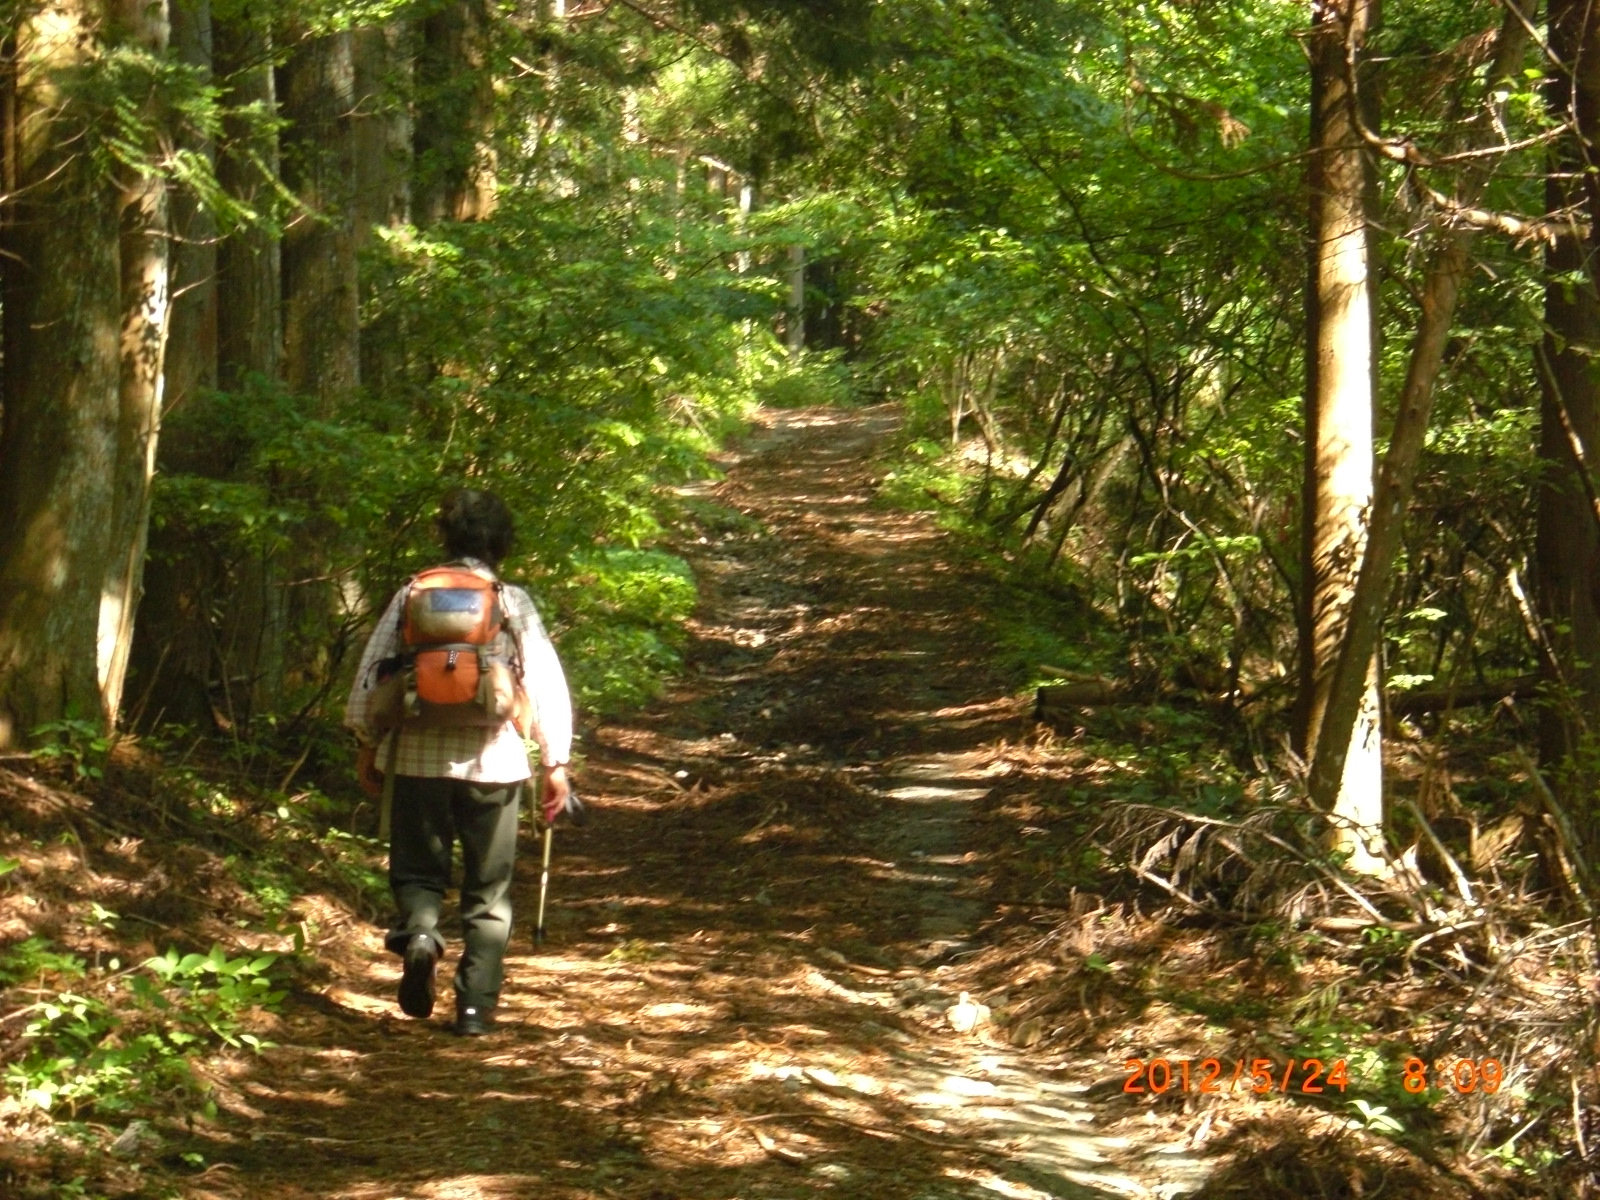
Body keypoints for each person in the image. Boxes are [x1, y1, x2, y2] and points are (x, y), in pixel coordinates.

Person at [346, 489, 573, 1035]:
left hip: (415, 759)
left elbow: (372, 672)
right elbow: (544, 680)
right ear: (502, 542)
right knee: (488, 892)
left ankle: (422, 935)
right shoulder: (510, 600)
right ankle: (474, 1007)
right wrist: (556, 762)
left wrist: (366, 742)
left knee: (417, 872)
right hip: (495, 764)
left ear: (445, 536)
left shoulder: (413, 593)